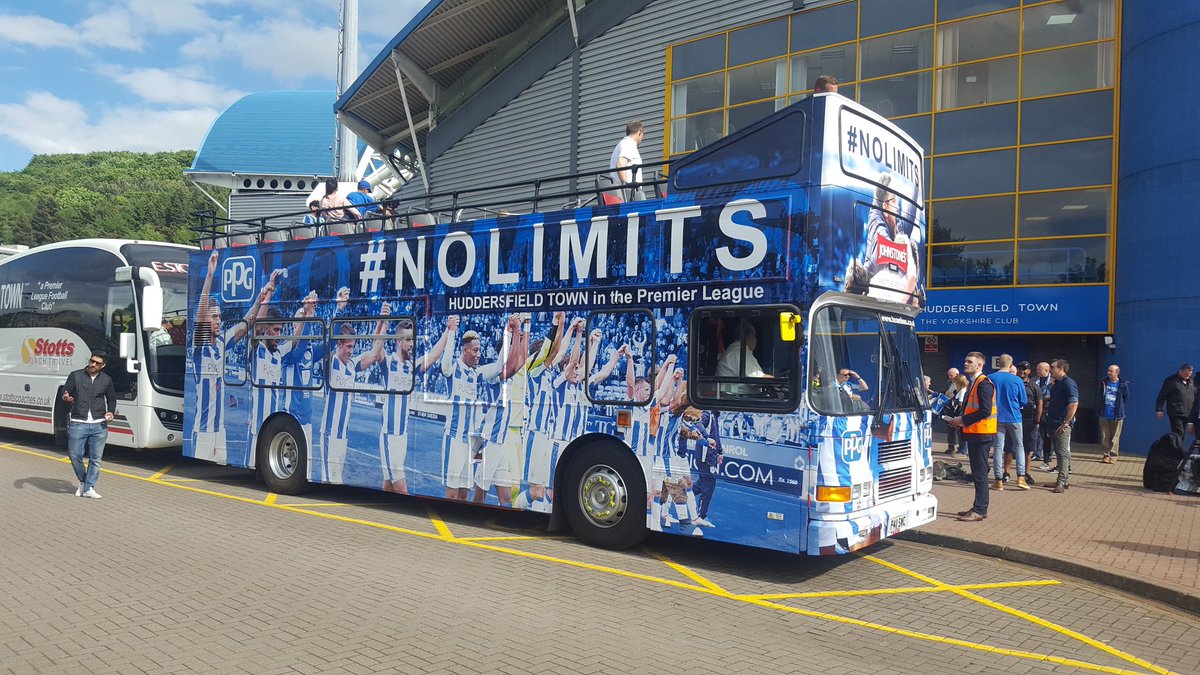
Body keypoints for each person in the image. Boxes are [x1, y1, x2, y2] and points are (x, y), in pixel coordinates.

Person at [381, 313, 458, 494]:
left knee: (388, 485)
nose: (411, 343)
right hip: (389, 435)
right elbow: (377, 348)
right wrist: (382, 322)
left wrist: (448, 330)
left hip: (403, 435)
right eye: (407, 339)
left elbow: (433, 356)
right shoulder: (387, 361)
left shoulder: (411, 367)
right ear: (399, 341)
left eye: (412, 339)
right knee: (401, 487)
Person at [319, 320, 387, 484]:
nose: (351, 351)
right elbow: (327, 343)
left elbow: (374, 354)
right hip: (330, 433)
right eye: (348, 347)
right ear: (339, 344)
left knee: (334, 478)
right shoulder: (330, 362)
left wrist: (384, 323)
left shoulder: (352, 365)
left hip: (343, 435)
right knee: (331, 481)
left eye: (353, 347)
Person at [946, 352, 995, 522]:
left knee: (980, 474)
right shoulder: (974, 383)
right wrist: (960, 421)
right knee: (978, 473)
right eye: (965, 360)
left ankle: (980, 510)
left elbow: (985, 411)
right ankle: (978, 507)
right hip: (975, 434)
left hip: (982, 435)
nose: (965, 364)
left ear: (979, 365)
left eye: (970, 362)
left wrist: (963, 420)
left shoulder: (983, 384)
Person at [62, 351, 117, 499]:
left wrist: (111, 412)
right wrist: (66, 396)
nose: (93, 364)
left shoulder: (107, 380)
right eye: (92, 361)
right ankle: (83, 481)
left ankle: (89, 487)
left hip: (99, 424)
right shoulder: (76, 375)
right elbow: (66, 390)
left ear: (103, 365)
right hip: (79, 422)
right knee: (74, 455)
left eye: (97, 363)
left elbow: (111, 398)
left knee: (96, 459)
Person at [990, 354, 1029, 490]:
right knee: (1019, 446)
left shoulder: (990, 378)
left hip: (997, 417)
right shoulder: (1016, 380)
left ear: (998, 363)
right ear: (1011, 364)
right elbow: (1023, 400)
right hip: (1015, 417)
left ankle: (998, 480)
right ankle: (1021, 477)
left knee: (998, 448)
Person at [1044, 359, 1079, 493]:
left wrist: (1066, 422)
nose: (1050, 370)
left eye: (1052, 367)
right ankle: (1063, 480)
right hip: (1052, 422)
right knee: (1059, 452)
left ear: (1061, 368)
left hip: (1061, 424)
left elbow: (1073, 403)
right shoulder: (1056, 384)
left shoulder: (1068, 383)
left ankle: (1061, 482)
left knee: (1063, 452)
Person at [1098, 364, 1130, 464]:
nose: (1109, 373)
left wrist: (1118, 406)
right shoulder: (1103, 382)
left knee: (1115, 437)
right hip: (1104, 413)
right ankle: (1106, 455)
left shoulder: (1123, 384)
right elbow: (1100, 394)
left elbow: (1126, 397)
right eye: (1108, 370)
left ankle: (1114, 455)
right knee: (1104, 436)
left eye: (1111, 371)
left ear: (1117, 372)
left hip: (1117, 415)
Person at [1015, 361, 1040, 486]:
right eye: (1020, 368)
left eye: (1024, 369)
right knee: (1009, 448)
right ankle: (1006, 473)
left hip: (1029, 420)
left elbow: (1039, 402)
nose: (1022, 371)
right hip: (1014, 419)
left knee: (1028, 448)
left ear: (1029, 371)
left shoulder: (1034, 386)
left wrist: (1037, 420)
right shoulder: (1013, 383)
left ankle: (1026, 473)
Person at [1154, 363, 1194, 442]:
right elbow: (1162, 395)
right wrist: (1159, 409)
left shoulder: (1191, 381)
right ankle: (1175, 452)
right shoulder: (1171, 380)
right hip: (1175, 412)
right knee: (1179, 432)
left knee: (1182, 434)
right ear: (1181, 371)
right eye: (1186, 373)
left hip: (1188, 412)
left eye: (1189, 373)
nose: (1188, 375)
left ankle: (1176, 451)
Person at [609, 120, 646, 201]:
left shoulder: (622, 144)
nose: (642, 137)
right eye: (643, 134)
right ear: (639, 132)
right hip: (629, 194)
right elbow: (620, 164)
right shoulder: (629, 144)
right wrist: (627, 187)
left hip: (625, 193)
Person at [1034, 361, 1054, 466]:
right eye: (1037, 369)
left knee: (1048, 436)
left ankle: (1048, 457)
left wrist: (1044, 399)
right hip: (1038, 411)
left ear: (1046, 370)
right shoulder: (1034, 380)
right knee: (1039, 434)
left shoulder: (1053, 381)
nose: (1037, 371)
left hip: (1049, 412)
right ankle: (1038, 453)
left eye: (1039, 369)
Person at [944, 367, 962, 455]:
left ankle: (961, 448)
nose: (950, 377)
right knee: (950, 428)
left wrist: (951, 396)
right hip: (950, 409)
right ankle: (951, 446)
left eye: (951, 375)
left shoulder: (961, 384)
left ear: (957, 375)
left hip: (958, 409)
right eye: (949, 375)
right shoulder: (950, 383)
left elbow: (959, 397)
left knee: (959, 429)